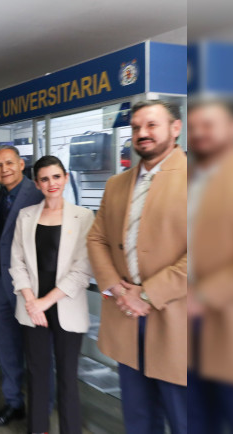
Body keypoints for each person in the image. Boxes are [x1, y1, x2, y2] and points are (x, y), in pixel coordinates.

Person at [87, 100, 187, 434]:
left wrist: (146, 294)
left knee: (184, 416)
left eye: (152, 125)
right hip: (126, 316)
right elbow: (96, 239)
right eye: (135, 127)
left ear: (176, 128)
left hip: (178, 321)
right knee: (138, 416)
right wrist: (117, 287)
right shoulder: (117, 184)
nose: (142, 133)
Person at [10, 155, 94, 434]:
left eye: (56, 177)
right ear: (37, 183)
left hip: (65, 307)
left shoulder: (83, 217)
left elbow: (83, 271)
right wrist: (32, 302)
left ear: (66, 177)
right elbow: (17, 263)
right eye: (45, 178)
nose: (51, 183)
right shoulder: (26, 216)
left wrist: (44, 302)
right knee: (37, 376)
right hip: (32, 309)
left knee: (68, 379)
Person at [186, 99, 233, 432]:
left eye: (209, 125)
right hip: (187, 325)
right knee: (197, 418)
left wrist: (205, 295)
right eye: (194, 126)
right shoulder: (193, 180)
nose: (200, 134)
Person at [0, 145, 44, 426]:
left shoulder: (37, 193)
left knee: (35, 352)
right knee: (7, 346)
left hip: (30, 288)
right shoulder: (0, 195)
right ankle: (13, 403)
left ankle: (40, 411)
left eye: (9, 163)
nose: (4, 169)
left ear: (21, 165)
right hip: (1, 283)